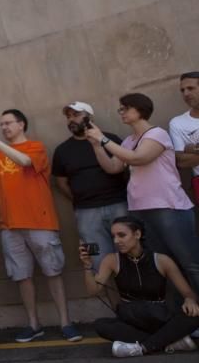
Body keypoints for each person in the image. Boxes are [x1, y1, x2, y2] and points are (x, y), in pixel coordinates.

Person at [0, 109, 81, 343]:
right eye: (1, 124)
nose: (4, 127)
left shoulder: (35, 147)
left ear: (21, 125)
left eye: (8, 123)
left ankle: (65, 322)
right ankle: (33, 323)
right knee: (22, 276)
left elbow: (24, 161)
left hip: (39, 221)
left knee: (53, 271)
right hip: (10, 226)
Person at [84, 93, 199, 293]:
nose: (121, 113)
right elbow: (113, 167)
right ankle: (183, 316)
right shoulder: (128, 141)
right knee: (162, 265)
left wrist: (102, 139)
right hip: (140, 210)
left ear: (140, 110)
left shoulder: (157, 134)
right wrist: (96, 146)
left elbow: (139, 158)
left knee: (190, 263)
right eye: (120, 109)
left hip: (168, 206)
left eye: (125, 108)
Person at [81, 216, 199, 357]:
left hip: (159, 317)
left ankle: (142, 348)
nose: (116, 241)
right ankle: (167, 342)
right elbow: (94, 291)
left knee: (194, 315)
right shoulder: (112, 260)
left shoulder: (161, 260)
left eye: (122, 235)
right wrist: (87, 267)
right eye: (114, 236)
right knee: (101, 325)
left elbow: (188, 292)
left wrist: (189, 300)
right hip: (132, 318)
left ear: (137, 234)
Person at [52, 102, 128, 271]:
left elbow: (126, 169)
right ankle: (110, 296)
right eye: (68, 116)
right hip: (86, 214)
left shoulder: (111, 139)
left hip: (119, 207)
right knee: (97, 259)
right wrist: (79, 198)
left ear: (89, 117)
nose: (71, 119)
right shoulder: (62, 150)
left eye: (76, 115)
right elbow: (61, 182)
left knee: (129, 254)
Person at [169, 72, 199, 201]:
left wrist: (192, 148)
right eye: (182, 90)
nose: (185, 94)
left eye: (191, 88)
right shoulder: (177, 123)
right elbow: (181, 161)